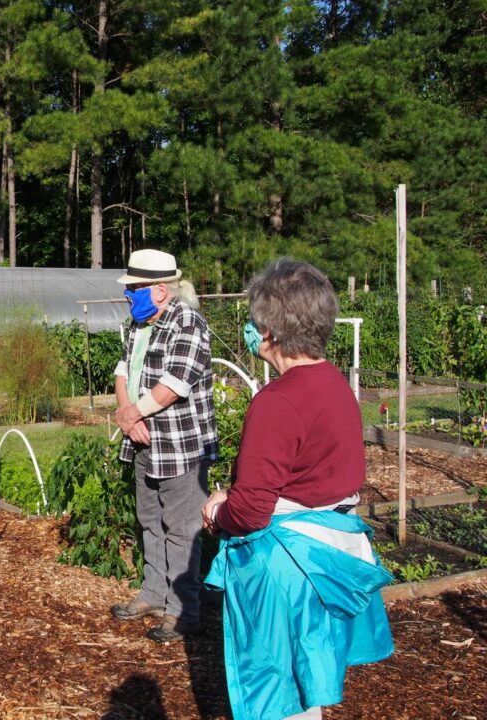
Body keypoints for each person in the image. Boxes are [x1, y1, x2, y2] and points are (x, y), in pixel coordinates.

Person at [201, 258, 393, 720]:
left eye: (254, 321)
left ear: (269, 330)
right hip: (330, 554)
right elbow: (325, 475)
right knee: (308, 687)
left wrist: (217, 512)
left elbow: (250, 513)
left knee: (278, 695)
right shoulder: (335, 384)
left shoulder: (277, 402)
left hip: (287, 567)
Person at [111, 249, 217, 644]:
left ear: (159, 291)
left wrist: (132, 414)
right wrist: (127, 412)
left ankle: (183, 610)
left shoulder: (187, 322)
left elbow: (175, 384)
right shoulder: (139, 324)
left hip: (180, 446)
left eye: (133, 288)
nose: (127, 295)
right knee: (149, 520)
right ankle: (154, 594)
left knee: (183, 528)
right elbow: (122, 371)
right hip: (143, 441)